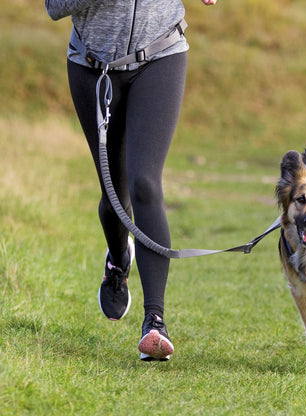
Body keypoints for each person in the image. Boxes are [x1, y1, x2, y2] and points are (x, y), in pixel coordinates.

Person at [45, 0, 218, 361]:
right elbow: (55, 6)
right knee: (114, 194)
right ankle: (118, 261)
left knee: (146, 184)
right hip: (92, 68)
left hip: (161, 54)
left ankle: (155, 322)